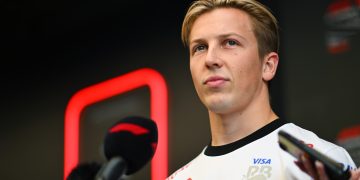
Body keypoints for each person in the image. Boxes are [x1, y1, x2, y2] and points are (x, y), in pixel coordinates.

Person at [167, 0, 357, 179]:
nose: (210, 59)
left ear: (268, 66)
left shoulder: (318, 164)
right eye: (200, 47)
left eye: (230, 42)